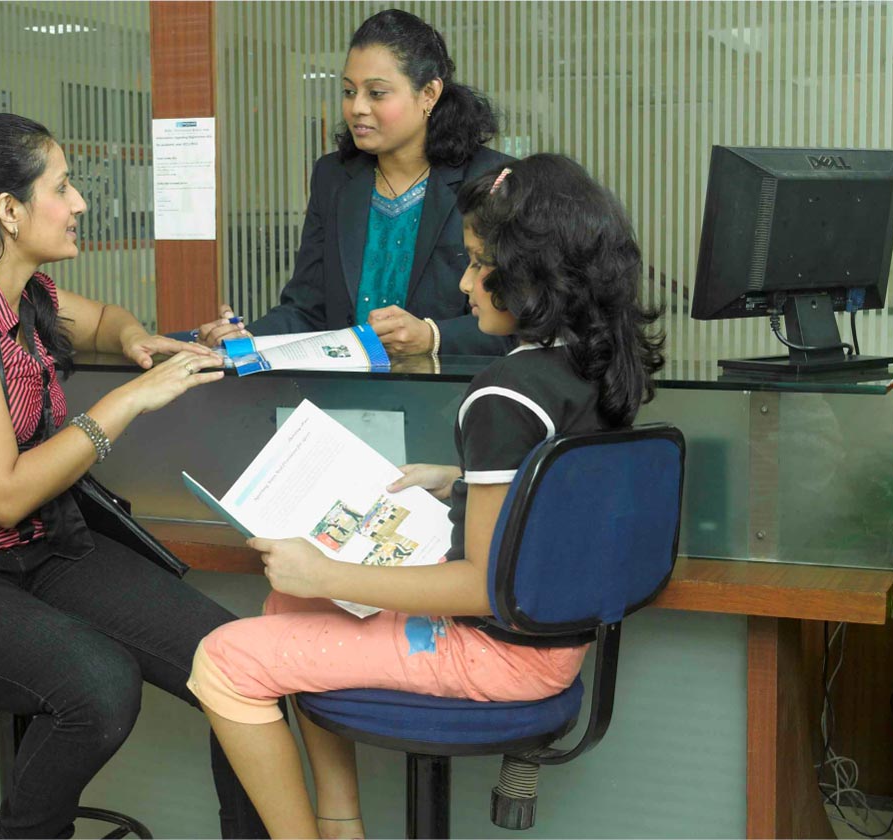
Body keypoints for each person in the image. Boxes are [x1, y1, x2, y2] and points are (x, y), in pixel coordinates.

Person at [187, 154, 666, 838]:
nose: (465, 284)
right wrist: (460, 478)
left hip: (494, 651)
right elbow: (558, 491)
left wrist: (325, 568)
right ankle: (340, 821)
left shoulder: (503, 392)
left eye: (476, 264)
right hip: (555, 641)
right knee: (289, 601)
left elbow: (480, 588)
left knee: (225, 659)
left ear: (528, 275)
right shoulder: (588, 364)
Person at [0, 113, 268, 838]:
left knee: (241, 668)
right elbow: (2, 493)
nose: (79, 204)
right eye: (62, 187)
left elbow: (103, 319)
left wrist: (136, 340)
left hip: (32, 546)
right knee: (97, 687)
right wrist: (127, 403)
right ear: (8, 210)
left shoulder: (21, 290)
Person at [196, 9, 514, 358]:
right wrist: (245, 340)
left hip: (448, 397)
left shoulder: (494, 180)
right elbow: (307, 308)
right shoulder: (333, 178)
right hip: (346, 391)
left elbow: (524, 319)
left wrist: (433, 336)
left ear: (428, 94)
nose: (357, 108)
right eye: (349, 91)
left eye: (376, 93)